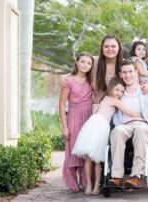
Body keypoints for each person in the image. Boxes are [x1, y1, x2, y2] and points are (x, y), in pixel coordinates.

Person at [107, 59, 148, 188]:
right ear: (120, 75)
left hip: (146, 126)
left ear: (137, 72)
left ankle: (137, 176)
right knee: (117, 131)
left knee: (141, 130)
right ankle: (116, 176)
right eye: (124, 72)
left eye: (131, 71)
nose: (128, 75)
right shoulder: (118, 94)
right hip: (125, 126)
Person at [71, 77, 143, 195]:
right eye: (117, 90)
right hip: (97, 125)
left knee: (96, 159)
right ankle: (90, 185)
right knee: (90, 158)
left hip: (96, 124)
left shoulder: (107, 98)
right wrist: (144, 114)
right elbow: (129, 112)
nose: (119, 93)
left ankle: (95, 186)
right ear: (111, 88)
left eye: (122, 91)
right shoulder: (112, 100)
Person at [58, 52, 94, 193]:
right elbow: (61, 105)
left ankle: (86, 181)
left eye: (89, 63)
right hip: (74, 117)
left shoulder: (92, 80)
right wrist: (65, 127)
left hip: (88, 118)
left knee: (87, 149)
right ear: (77, 63)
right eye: (83, 62)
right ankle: (74, 181)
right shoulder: (69, 81)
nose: (85, 65)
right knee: (74, 150)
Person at [61, 35, 123, 104]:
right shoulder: (93, 61)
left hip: (120, 108)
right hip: (95, 107)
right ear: (102, 48)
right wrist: (66, 76)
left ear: (119, 48)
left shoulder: (125, 65)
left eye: (113, 46)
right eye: (106, 46)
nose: (110, 49)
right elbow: (79, 72)